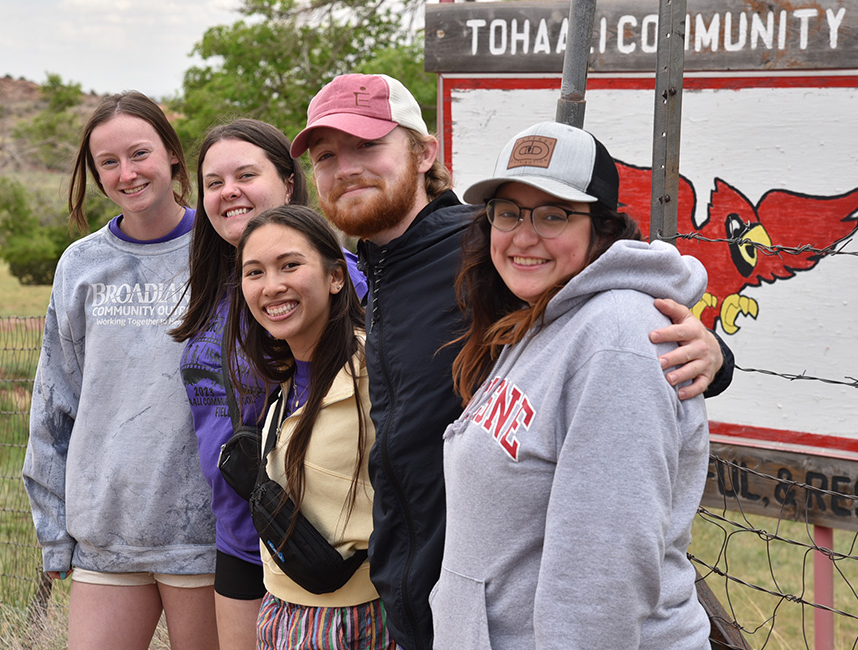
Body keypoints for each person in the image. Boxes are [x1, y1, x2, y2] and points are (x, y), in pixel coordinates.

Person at [288, 73, 733, 650]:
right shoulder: (492, 285)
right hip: (444, 610)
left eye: (368, 146)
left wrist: (714, 355)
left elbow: (603, 569)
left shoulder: (490, 262)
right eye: (327, 156)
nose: (524, 236)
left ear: (424, 153)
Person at [433, 121, 710, 648]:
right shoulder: (543, 319)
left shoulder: (619, 338)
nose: (523, 235)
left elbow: (603, 573)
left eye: (553, 214)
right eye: (508, 212)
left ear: (601, 227)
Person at [23, 91, 218, 650]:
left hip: (203, 532)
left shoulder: (222, 250)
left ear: (174, 156)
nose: (126, 173)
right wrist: (54, 529)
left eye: (140, 154)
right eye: (108, 162)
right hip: (107, 530)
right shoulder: (81, 265)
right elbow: (55, 399)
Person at [172, 119, 367, 650]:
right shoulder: (221, 289)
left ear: (287, 181)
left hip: (320, 548)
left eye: (245, 174)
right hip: (241, 532)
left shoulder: (340, 276)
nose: (228, 191)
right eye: (213, 182)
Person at [228, 205, 394, 649]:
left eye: (290, 265)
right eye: (254, 272)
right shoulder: (285, 377)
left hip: (358, 621)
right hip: (281, 611)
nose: (272, 286)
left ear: (336, 277)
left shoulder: (377, 372)